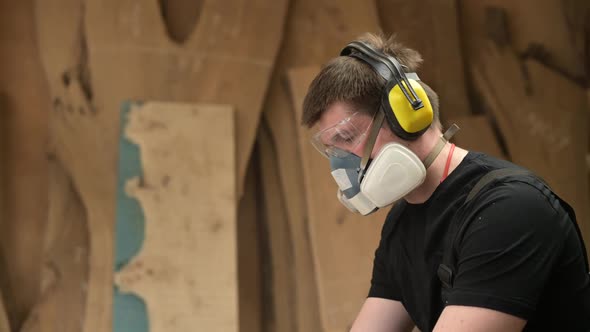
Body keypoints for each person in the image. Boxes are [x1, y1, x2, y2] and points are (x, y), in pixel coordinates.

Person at [301, 32, 590, 332]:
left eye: (347, 138)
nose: (340, 162)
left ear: (408, 113)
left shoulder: (510, 208)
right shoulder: (402, 224)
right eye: (331, 149)